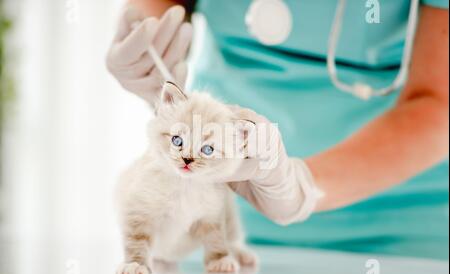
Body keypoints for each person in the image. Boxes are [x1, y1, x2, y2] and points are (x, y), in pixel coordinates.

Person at [107, 0, 449, 260]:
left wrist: (302, 187)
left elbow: (439, 101)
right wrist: (146, 30)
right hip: (228, 227)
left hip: (402, 234)